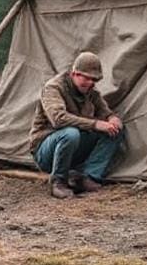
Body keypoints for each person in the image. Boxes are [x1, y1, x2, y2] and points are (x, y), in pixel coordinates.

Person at [29, 52, 125, 199]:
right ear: (74, 73)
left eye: (94, 79)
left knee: (114, 131)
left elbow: (105, 112)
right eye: (86, 78)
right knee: (70, 133)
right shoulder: (53, 88)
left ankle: (87, 177)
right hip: (46, 150)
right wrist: (95, 124)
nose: (90, 83)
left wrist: (112, 119)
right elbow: (58, 119)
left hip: (73, 146)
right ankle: (58, 182)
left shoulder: (91, 92)